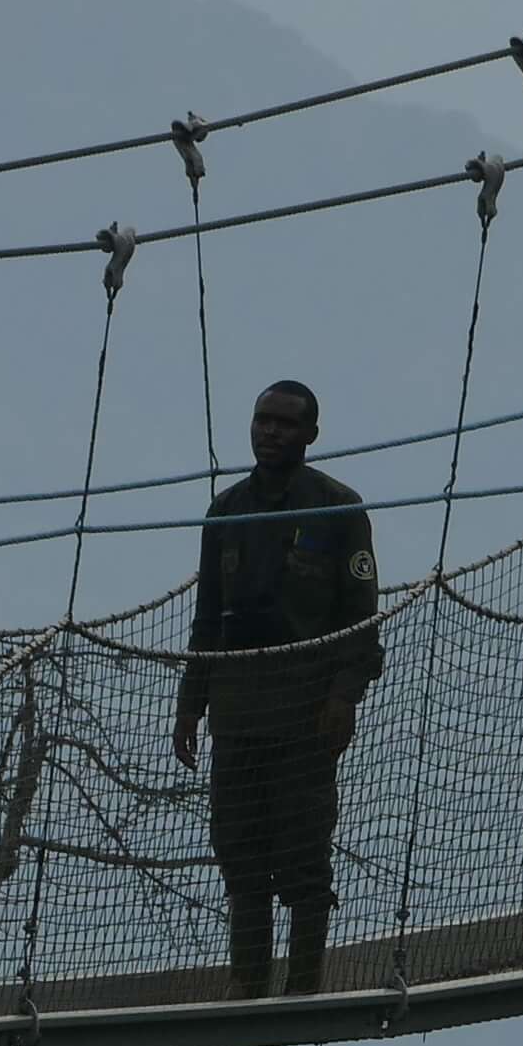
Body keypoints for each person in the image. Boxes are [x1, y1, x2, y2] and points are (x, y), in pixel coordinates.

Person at [172, 377, 382, 999]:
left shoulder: (338, 508)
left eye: (285, 423)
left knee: (303, 846)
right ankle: (248, 978)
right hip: (236, 712)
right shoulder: (227, 511)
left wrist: (343, 696)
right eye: (263, 420)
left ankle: (304, 980)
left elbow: (361, 619)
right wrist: (190, 705)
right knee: (239, 848)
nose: (270, 432)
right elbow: (206, 616)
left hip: (307, 709)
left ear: (310, 435)